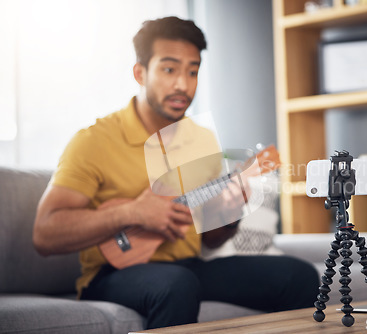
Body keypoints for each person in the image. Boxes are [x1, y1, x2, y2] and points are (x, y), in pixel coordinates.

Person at [33, 16, 319, 329]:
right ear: (140, 73)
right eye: (169, 70)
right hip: (110, 275)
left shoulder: (202, 139)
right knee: (176, 283)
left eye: (193, 71)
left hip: (188, 267)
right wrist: (132, 212)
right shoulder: (93, 140)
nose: (183, 84)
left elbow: (211, 239)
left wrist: (230, 210)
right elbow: (45, 234)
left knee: (298, 276)